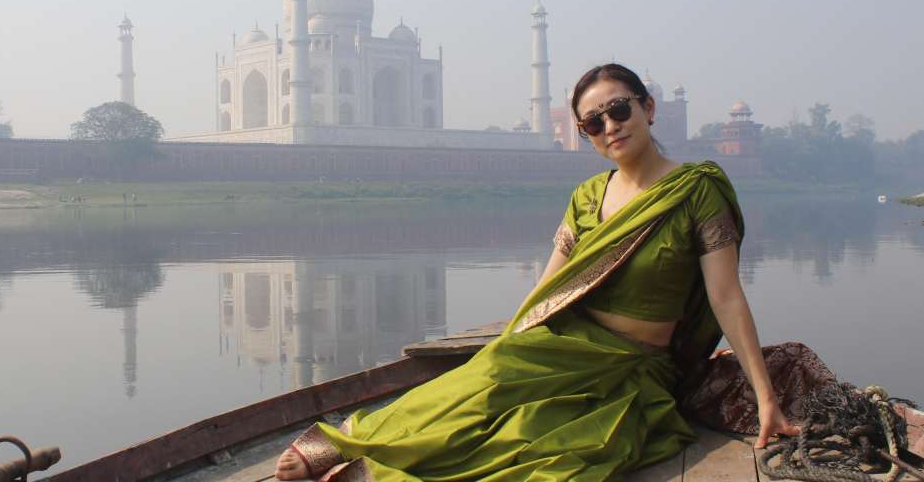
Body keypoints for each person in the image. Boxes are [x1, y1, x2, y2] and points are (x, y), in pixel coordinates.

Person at [274, 63, 798, 481]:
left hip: (634, 368)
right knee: (477, 385)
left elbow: (726, 298)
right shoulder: (588, 196)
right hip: (564, 343)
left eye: (618, 110)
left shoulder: (695, 190)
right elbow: (548, 288)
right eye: (593, 122)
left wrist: (766, 399)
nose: (609, 127)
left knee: (555, 450)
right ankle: (344, 442)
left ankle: (374, 473)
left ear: (649, 107)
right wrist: (510, 346)